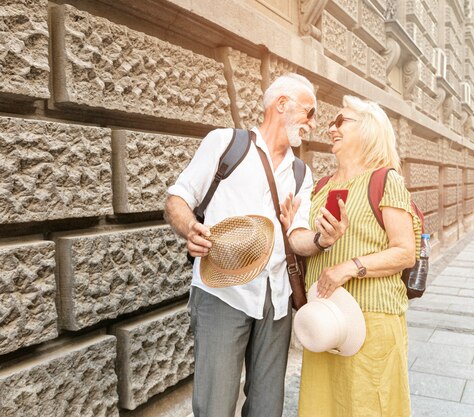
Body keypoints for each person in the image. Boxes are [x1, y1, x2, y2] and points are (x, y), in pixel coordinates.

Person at [164, 73, 348, 417]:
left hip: (276, 300)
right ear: (282, 105)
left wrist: (323, 239)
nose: (312, 124)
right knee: (215, 407)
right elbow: (177, 198)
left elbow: (297, 236)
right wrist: (190, 228)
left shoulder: (300, 173)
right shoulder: (225, 144)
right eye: (309, 113)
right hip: (222, 293)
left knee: (267, 409)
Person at [296, 96, 416, 417]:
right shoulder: (320, 187)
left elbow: (405, 252)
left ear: (368, 130)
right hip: (323, 320)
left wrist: (350, 267)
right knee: (323, 408)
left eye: (341, 122)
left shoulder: (384, 180)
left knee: (369, 406)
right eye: (332, 123)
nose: (331, 129)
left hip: (372, 320)